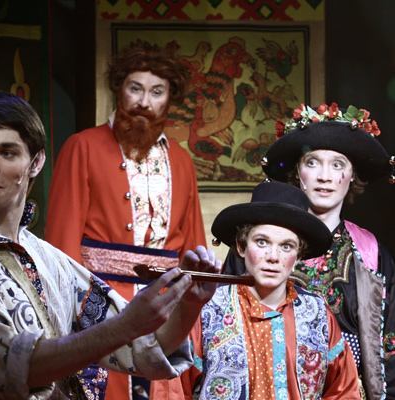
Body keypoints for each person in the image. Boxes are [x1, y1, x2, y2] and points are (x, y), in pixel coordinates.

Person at [0, 89, 219, 400]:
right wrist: (124, 327)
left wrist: (189, 304)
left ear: (36, 163)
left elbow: (141, 347)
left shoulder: (44, 256)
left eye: (7, 153)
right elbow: (5, 370)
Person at [45, 43, 207, 400]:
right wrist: (66, 315)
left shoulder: (182, 160)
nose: (144, 102)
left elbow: (193, 245)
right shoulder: (82, 146)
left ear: (169, 100)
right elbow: (61, 243)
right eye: (136, 88)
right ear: (120, 90)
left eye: (157, 92)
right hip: (98, 307)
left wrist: (191, 315)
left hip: (167, 307)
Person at [224, 103, 395, 399]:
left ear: (352, 174)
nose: (325, 177)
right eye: (313, 162)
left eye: (338, 165)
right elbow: (224, 325)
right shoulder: (255, 245)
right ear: (297, 172)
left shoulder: (371, 251)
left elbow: (390, 342)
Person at [158, 180, 360, 399]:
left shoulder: (318, 314)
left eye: (286, 246)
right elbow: (173, 389)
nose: (273, 257)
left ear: (298, 257)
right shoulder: (207, 310)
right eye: (262, 242)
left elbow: (343, 391)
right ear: (241, 246)